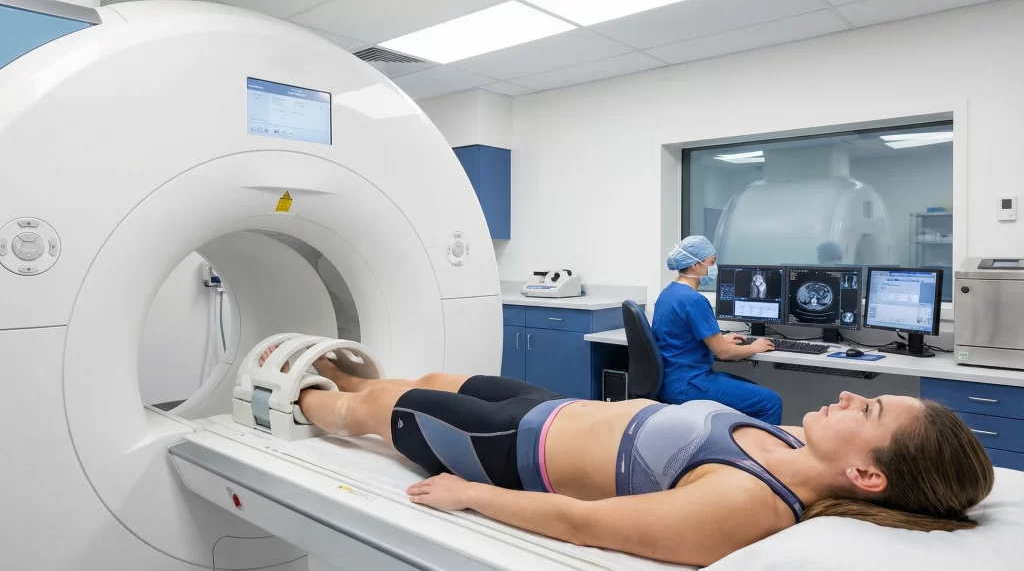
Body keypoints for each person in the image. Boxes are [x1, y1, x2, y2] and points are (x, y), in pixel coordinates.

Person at [262, 349, 995, 568]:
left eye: (866, 411)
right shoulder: (794, 447)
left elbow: (585, 524)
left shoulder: (747, 503)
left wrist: (475, 497)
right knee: (417, 382)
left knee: (360, 415)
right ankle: (343, 373)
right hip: (546, 406)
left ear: (867, 475)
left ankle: (289, 395)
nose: (846, 394)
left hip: (507, 451)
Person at [653, 236, 782, 423]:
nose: (714, 268)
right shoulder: (694, 301)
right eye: (711, 262)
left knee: (751, 388)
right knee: (770, 402)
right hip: (690, 384)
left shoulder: (668, 294)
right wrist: (755, 347)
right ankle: (765, 452)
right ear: (695, 265)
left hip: (670, 381)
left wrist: (721, 340)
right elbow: (724, 353)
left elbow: (680, 339)